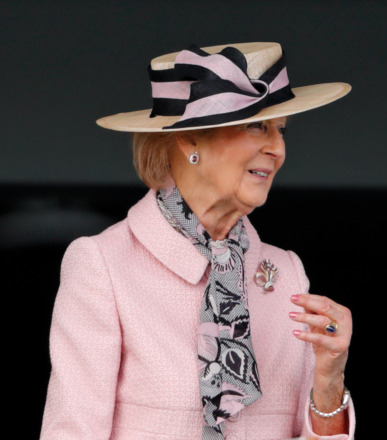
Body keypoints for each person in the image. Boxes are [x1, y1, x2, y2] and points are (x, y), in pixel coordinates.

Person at [41, 42, 355, 440]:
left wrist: (329, 379)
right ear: (190, 141)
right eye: (256, 125)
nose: (277, 149)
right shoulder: (102, 265)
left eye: (280, 130)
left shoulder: (287, 274)